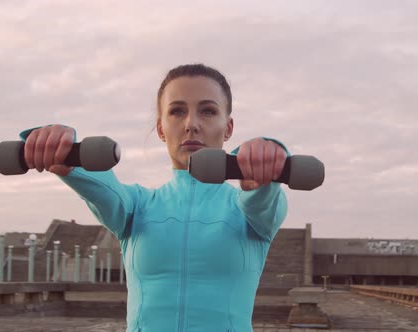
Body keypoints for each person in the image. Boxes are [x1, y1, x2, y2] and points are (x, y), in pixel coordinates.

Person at [20, 64, 289, 332]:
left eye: (207, 111)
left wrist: (263, 164)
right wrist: (68, 156)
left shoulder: (249, 210)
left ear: (228, 127)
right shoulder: (137, 207)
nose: (191, 125)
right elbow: (106, 190)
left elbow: (262, 200)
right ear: (161, 129)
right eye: (177, 111)